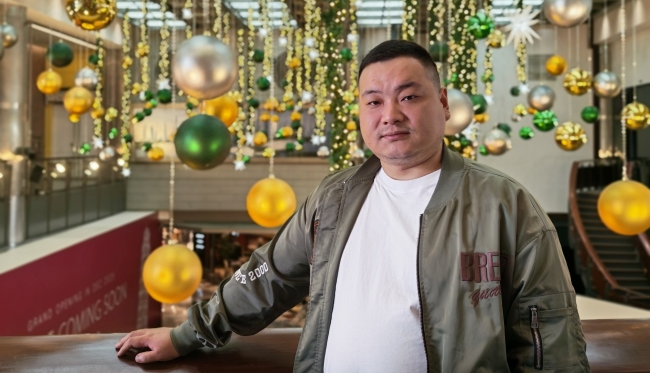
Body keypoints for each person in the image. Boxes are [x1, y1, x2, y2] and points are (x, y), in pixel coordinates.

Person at [116, 39, 590, 372]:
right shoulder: (335, 197)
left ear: (444, 103)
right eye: (374, 102)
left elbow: (549, 332)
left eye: (409, 96)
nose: (391, 115)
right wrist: (185, 335)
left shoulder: (505, 205)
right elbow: (268, 276)